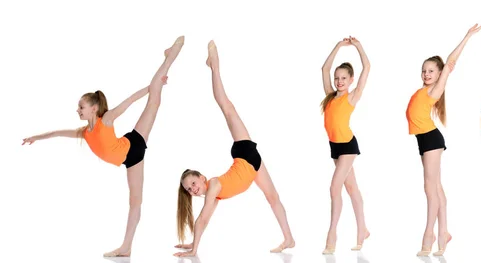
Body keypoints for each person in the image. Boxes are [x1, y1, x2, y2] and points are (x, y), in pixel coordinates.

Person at [22, 36, 186, 257]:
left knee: (154, 99)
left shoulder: (105, 120)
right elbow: (57, 133)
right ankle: (126, 248)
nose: (77, 110)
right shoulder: (85, 133)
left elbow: (129, 101)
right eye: (78, 107)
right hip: (128, 153)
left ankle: (171, 55)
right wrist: (35, 137)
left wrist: (152, 86)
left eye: (81, 107)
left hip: (133, 149)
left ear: (93, 108)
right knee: (134, 201)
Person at [173, 40, 295, 257]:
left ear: (202, 178)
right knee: (273, 198)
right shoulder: (215, 192)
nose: (193, 190)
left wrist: (194, 249)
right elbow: (206, 220)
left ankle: (215, 64)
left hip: (245, 155)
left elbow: (201, 218)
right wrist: (194, 243)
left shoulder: (214, 186)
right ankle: (289, 239)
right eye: (189, 190)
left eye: (192, 183)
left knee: (227, 108)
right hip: (250, 167)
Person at [406, 23, 481, 257]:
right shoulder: (422, 90)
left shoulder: (435, 90)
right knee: (436, 187)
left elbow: (450, 63)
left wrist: (467, 36)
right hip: (425, 140)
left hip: (431, 140)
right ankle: (444, 233)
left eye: (431, 71)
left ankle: (428, 235)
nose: (426, 74)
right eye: (424, 71)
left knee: (429, 188)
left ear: (439, 74)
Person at [319, 36, 371, 254]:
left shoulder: (351, 97)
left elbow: (367, 66)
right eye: (337, 78)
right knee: (351, 188)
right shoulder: (330, 97)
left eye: (344, 78)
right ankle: (363, 230)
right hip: (335, 148)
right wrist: (339, 46)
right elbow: (324, 68)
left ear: (350, 81)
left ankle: (332, 235)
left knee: (334, 187)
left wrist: (358, 46)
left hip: (348, 146)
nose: (339, 81)